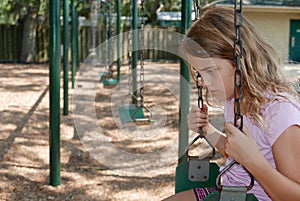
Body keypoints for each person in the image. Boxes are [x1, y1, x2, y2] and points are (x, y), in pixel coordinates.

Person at [163, 6, 300, 201]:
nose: (206, 82)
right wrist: (207, 130)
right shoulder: (234, 98)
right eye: (200, 73)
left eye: (211, 70)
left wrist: (253, 162)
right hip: (228, 191)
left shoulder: (279, 110)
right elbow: (236, 151)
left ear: (240, 61)